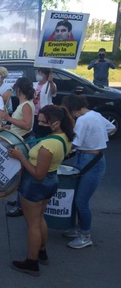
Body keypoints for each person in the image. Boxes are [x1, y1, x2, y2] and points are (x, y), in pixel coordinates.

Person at [8, 105, 74, 276]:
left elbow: (38, 174)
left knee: (33, 225)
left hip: (36, 185)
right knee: (40, 218)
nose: (39, 124)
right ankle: (42, 251)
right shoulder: (64, 137)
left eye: (43, 122)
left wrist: (21, 157)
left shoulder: (48, 145)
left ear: (56, 123)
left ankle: (31, 262)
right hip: (51, 181)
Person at [61, 95, 115, 249]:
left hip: (88, 160)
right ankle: (79, 228)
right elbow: (112, 128)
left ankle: (85, 235)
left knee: (81, 201)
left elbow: (74, 144)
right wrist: (98, 138)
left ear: (72, 108)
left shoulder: (82, 120)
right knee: (79, 197)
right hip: (93, 158)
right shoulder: (95, 115)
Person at [0, 77, 35, 217]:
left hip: (24, 142)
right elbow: (21, 123)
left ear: (18, 89)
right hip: (20, 139)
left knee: (23, 176)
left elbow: (27, 125)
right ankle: (19, 201)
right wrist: (11, 125)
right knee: (19, 175)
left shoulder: (26, 104)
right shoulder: (24, 104)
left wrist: (8, 118)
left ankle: (21, 206)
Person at [33, 68, 57, 138]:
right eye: (39, 73)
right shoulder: (34, 84)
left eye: (41, 73)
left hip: (45, 112)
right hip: (34, 112)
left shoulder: (50, 84)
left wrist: (51, 82)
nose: (39, 75)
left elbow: (53, 92)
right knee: (35, 130)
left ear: (46, 75)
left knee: (43, 131)